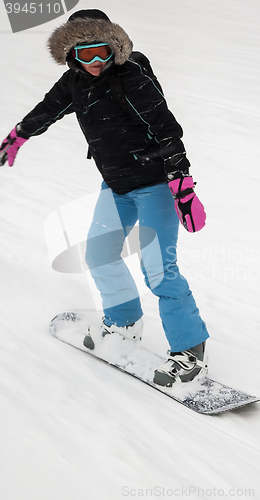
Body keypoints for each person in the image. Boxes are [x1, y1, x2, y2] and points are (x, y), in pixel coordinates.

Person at [0, 9, 209, 387]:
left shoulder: (132, 76)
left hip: (156, 184)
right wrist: (19, 134)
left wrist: (183, 183)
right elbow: (47, 110)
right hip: (115, 185)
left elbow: (166, 128)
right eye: (86, 55)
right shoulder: (74, 82)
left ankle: (190, 352)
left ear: (115, 47)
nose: (96, 63)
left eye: (102, 52)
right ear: (71, 56)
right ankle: (123, 322)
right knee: (99, 254)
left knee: (158, 269)